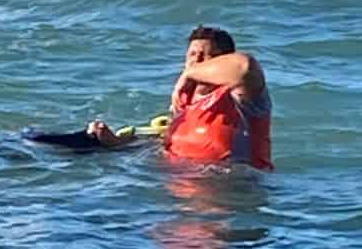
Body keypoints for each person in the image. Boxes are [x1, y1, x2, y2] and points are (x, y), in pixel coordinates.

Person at [87, 25, 273, 170]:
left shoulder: (244, 98)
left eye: (208, 55)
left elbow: (243, 68)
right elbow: (166, 146)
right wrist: (114, 142)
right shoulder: (183, 105)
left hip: (232, 191)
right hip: (181, 195)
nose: (197, 60)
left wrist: (188, 74)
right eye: (192, 54)